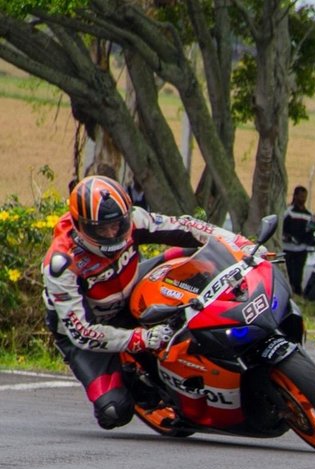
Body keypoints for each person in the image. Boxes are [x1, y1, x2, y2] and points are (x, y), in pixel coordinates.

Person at [42, 175, 253, 430]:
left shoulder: (134, 220)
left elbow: (186, 227)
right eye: (101, 229)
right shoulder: (61, 264)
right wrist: (141, 339)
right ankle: (135, 384)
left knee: (191, 255)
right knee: (114, 412)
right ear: (80, 224)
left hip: (130, 287)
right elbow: (82, 333)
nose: (112, 234)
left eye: (117, 225)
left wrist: (239, 243)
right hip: (89, 325)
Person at [282, 185, 315, 295]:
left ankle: (297, 294)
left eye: (305, 197)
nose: (303, 199)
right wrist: (288, 237)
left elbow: (310, 232)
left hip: (301, 250)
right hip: (288, 249)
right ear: (295, 196)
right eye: (301, 196)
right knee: (288, 274)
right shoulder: (288, 212)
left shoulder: (308, 215)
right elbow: (281, 228)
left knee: (298, 276)